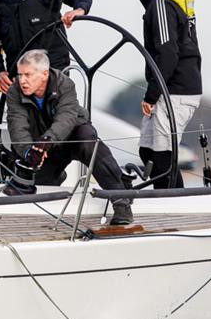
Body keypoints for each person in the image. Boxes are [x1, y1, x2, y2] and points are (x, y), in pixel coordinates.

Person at [7, 49, 133, 225]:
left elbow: (66, 118)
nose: (22, 80)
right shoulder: (14, 91)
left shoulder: (65, 84)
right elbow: (17, 125)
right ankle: (57, 175)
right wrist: (29, 152)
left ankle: (122, 202)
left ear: (44, 74)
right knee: (41, 182)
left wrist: (47, 141)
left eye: (27, 75)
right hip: (46, 145)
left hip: (73, 135)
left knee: (90, 143)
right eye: (20, 75)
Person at [131, 0, 202, 189]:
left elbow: (168, 53)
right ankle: (167, 196)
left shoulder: (160, 3)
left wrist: (152, 94)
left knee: (162, 155)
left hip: (174, 91)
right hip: (170, 89)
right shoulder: (160, 1)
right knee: (147, 151)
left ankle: (173, 202)